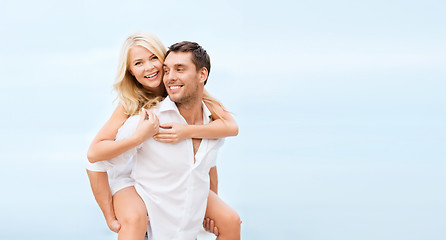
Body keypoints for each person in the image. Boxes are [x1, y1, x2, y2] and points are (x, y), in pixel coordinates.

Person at [86, 32, 241, 240]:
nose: (149, 67)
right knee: (135, 218)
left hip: (171, 176)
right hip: (130, 177)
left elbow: (223, 137)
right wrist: (110, 217)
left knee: (230, 220)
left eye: (153, 59)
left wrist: (186, 131)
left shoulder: (192, 95)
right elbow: (94, 155)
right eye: (139, 63)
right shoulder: (132, 104)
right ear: (130, 71)